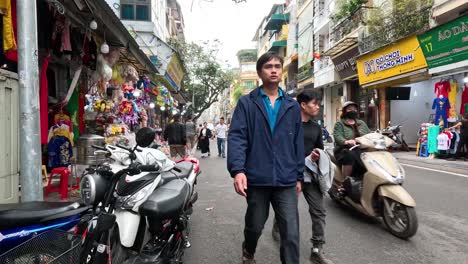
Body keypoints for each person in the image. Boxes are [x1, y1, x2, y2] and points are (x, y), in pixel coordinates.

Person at [228, 52, 304, 264]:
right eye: (268, 66)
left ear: (282, 71)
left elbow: (297, 143)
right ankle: (248, 250)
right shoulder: (247, 103)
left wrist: (299, 176)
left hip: (286, 178)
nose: (273, 70)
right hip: (257, 178)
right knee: (254, 225)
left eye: (277, 66)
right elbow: (237, 137)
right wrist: (238, 170)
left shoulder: (292, 105)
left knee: (290, 231)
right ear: (260, 72)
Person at [272, 90, 334, 264]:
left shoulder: (315, 127)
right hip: (290, 175)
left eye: (318, 103)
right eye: (314, 103)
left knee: (319, 211)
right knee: (287, 210)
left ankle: (317, 249)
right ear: (303, 105)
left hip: (310, 175)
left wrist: (316, 155)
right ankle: (278, 223)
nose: (317, 106)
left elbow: (319, 149)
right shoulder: (286, 124)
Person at [332, 101, 371, 186]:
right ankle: (345, 183)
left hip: (360, 149)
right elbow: (337, 136)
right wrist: (346, 141)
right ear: (345, 111)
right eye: (350, 109)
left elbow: (370, 134)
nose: (353, 111)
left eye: (354, 109)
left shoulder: (362, 123)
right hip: (344, 150)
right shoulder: (340, 124)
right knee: (350, 155)